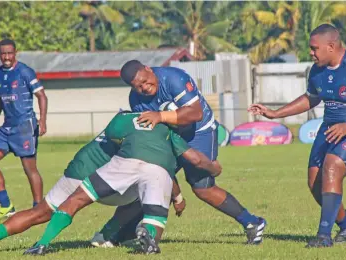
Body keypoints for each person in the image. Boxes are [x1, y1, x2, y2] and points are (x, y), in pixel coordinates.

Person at [0, 112, 221, 255]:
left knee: (42, 213)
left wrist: (177, 197)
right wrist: (178, 197)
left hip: (86, 169)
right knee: (147, 192)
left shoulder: (123, 121)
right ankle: (114, 235)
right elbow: (164, 164)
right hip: (101, 173)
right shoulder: (158, 130)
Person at [248, 24, 346, 248]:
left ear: (331, 46)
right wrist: (275, 113)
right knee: (315, 183)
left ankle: (323, 236)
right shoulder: (317, 70)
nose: (311, 53)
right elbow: (310, 99)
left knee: (331, 166)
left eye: (315, 48)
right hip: (330, 128)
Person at [97, 60, 266, 245]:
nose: (145, 88)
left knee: (203, 188)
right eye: (138, 87)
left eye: (145, 81)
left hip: (199, 131)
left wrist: (160, 116)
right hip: (170, 135)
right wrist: (175, 194)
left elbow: (195, 113)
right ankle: (119, 234)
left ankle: (252, 222)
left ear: (148, 68)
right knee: (148, 180)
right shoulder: (136, 100)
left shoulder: (174, 78)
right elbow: (153, 133)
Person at [0, 39, 48, 220]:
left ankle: (38, 208)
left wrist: (43, 120)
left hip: (25, 126)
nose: (7, 57)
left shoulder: (24, 71)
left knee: (29, 169)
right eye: (3, 53)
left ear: (15, 52)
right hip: (6, 128)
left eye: (10, 53)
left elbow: (41, 95)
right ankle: (6, 206)